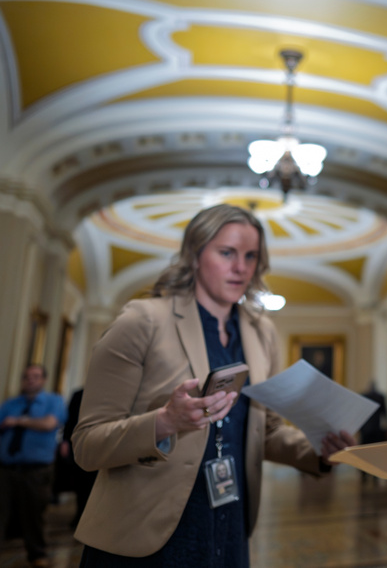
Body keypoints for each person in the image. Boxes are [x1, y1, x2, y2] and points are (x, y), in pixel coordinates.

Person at [72, 203, 355, 566]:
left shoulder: (261, 331)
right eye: (227, 253)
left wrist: (319, 450)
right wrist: (165, 422)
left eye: (251, 256)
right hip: (144, 538)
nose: (241, 267)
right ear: (194, 254)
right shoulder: (142, 321)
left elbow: (261, 431)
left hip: (228, 528)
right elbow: (87, 445)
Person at [0, 363, 66, 568]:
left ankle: (37, 554)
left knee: (34, 515)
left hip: (37, 470)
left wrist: (19, 421)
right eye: (28, 376)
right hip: (7, 468)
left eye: (36, 376)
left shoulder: (53, 401)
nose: (31, 380)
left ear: (43, 379)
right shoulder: (10, 404)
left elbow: (48, 424)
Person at [56, 387, 97, 528]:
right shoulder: (79, 394)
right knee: (80, 483)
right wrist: (65, 440)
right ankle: (80, 515)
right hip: (79, 443)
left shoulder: (109, 392)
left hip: (98, 443)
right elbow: (70, 420)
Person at [358, 381, 387, 484]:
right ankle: (374, 473)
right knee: (375, 453)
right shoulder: (380, 397)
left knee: (364, 453)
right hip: (376, 428)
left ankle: (364, 473)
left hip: (366, 429)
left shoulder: (364, 396)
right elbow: (386, 413)